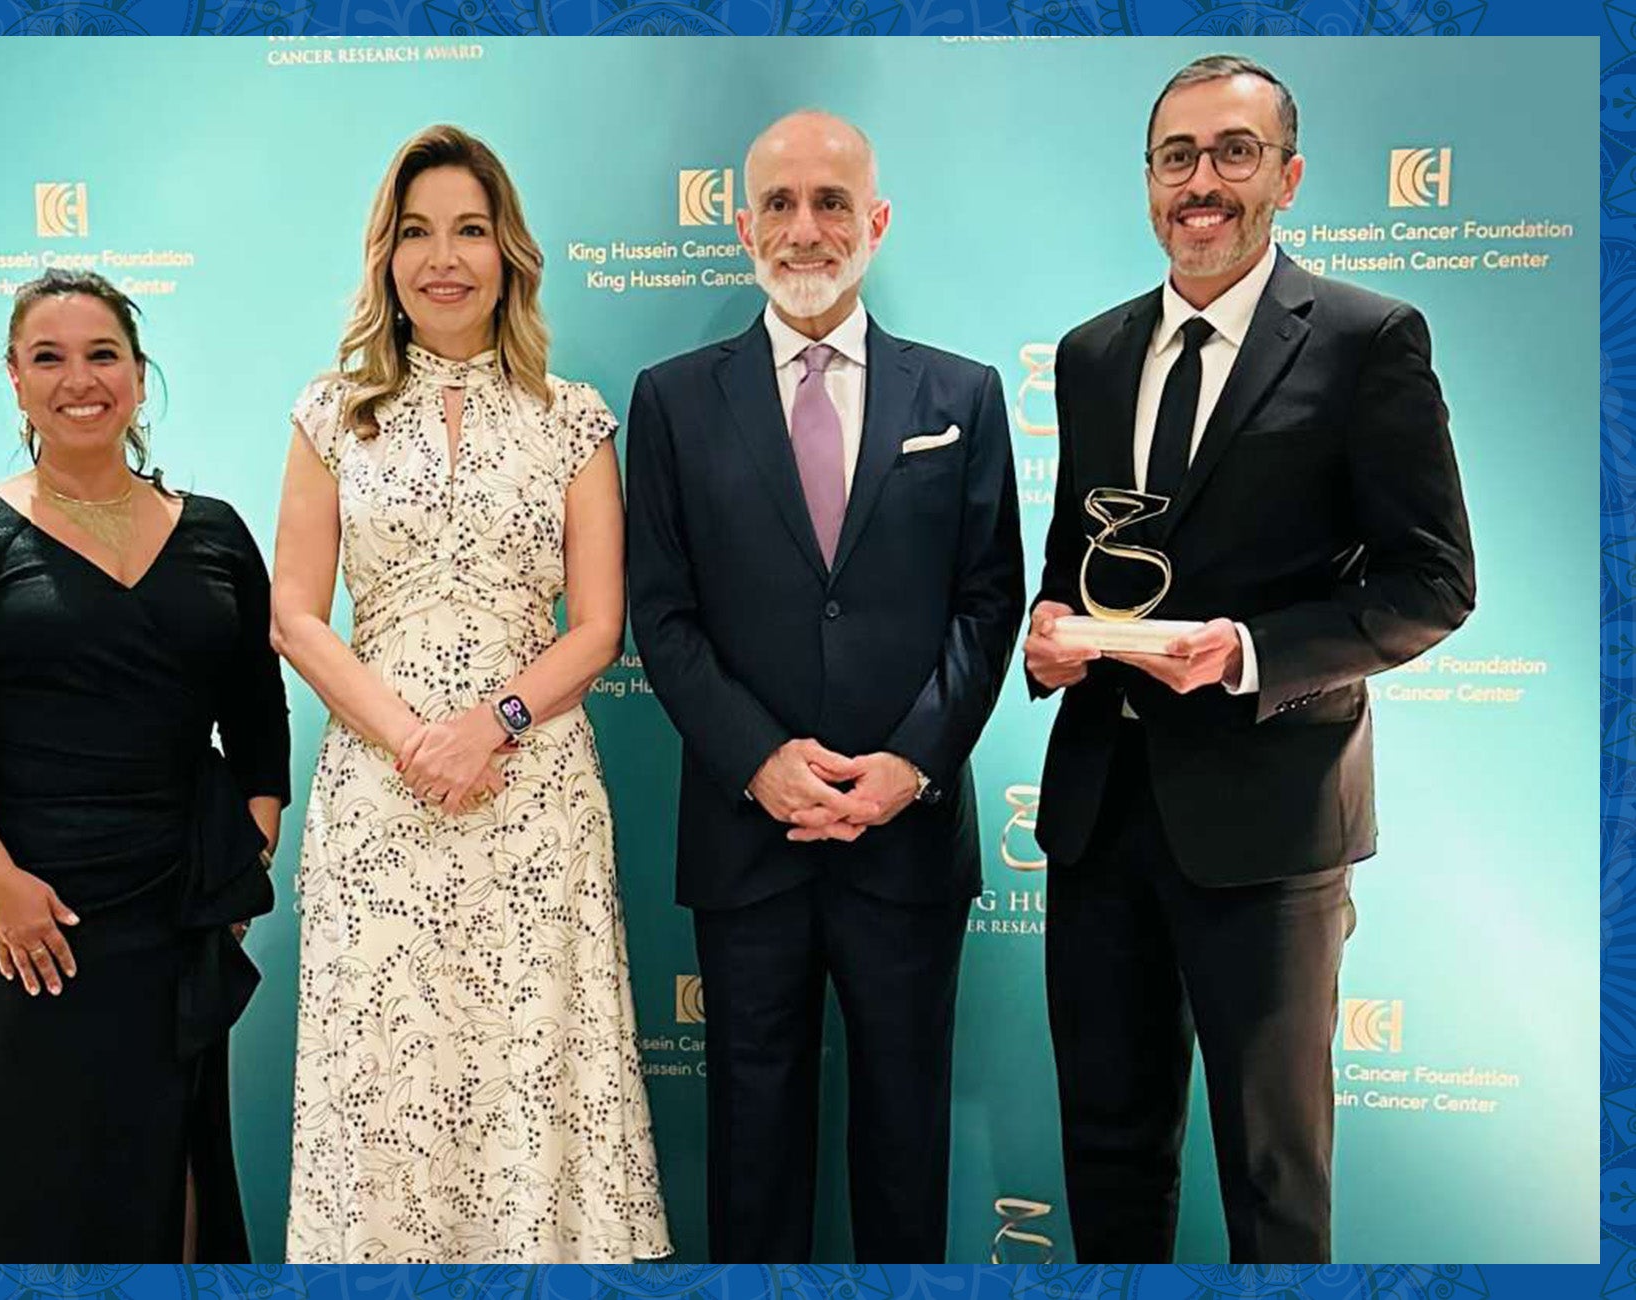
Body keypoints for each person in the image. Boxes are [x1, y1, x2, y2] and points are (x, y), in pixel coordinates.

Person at [1023, 55, 1476, 1263]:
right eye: (1178, 157)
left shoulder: (1368, 339)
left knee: (1274, 1181)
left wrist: (1249, 655)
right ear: (1149, 183)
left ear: (1288, 175)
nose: (1203, 182)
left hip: (1272, 831)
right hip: (1100, 816)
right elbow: (1082, 553)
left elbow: (1434, 583)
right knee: (1109, 1158)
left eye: (1233, 152)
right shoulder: (1091, 352)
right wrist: (1049, 633)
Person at [624, 109, 1025, 1263]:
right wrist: (760, 761)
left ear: (876, 221)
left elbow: (989, 602)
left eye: (833, 203)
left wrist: (910, 764)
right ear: (742, 223)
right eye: (783, 205)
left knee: (906, 1139)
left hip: (906, 836)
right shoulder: (673, 399)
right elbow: (663, 613)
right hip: (750, 842)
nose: (807, 230)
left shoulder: (962, 394)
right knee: (754, 1144)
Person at [273, 123, 670, 1264]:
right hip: (380, 794)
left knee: (532, 1073)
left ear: (509, 252)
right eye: (416, 233)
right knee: (387, 1085)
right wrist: (411, 738)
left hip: (532, 793)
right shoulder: (331, 413)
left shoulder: (573, 414)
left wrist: (488, 725)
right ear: (386, 256)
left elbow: (598, 623)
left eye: (469, 230)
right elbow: (296, 610)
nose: (443, 258)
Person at [0, 269, 290, 1262]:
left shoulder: (216, 533)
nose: (80, 379)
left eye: (103, 354)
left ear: (140, 378)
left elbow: (258, 720)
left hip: (174, 895)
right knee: (37, 1161)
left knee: (172, 1153)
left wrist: (245, 862)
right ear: (15, 382)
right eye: (49, 357)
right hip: (26, 904)